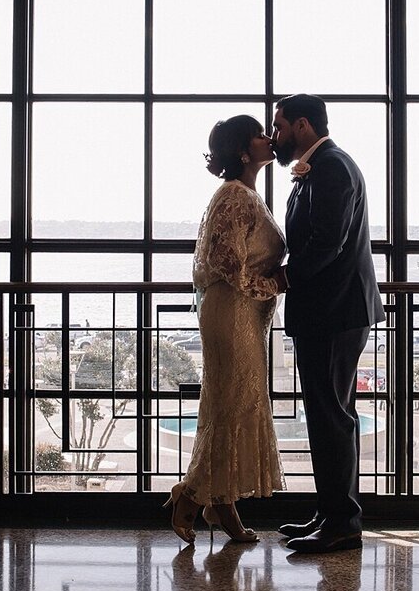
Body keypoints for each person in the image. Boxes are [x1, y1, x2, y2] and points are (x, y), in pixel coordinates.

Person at [269, 94, 385, 554]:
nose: (275, 136)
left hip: (334, 313)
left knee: (331, 416)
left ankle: (342, 523)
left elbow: (327, 243)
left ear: (301, 125)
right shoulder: (322, 165)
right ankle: (331, 511)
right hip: (330, 311)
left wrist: (283, 277)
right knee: (328, 415)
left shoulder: (333, 166)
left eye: (279, 127)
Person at [164, 115, 287, 544]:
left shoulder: (247, 194)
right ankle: (192, 498)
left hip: (244, 313)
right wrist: (277, 283)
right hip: (232, 312)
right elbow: (227, 264)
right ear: (242, 150)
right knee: (229, 407)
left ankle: (220, 503)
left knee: (232, 405)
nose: (268, 138)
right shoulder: (234, 195)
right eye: (259, 133)